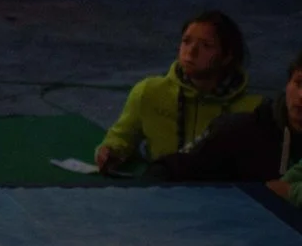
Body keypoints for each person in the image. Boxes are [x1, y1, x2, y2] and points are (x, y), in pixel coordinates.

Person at [93, 11, 261, 172]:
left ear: (227, 56)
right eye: (186, 41)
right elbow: (122, 136)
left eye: (206, 46)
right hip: (163, 192)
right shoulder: (149, 92)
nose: (191, 51)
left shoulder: (251, 110)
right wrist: (111, 150)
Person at [149, 49, 302, 184]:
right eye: (299, 83)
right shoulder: (240, 131)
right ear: (287, 84)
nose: (301, 95)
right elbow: (177, 166)